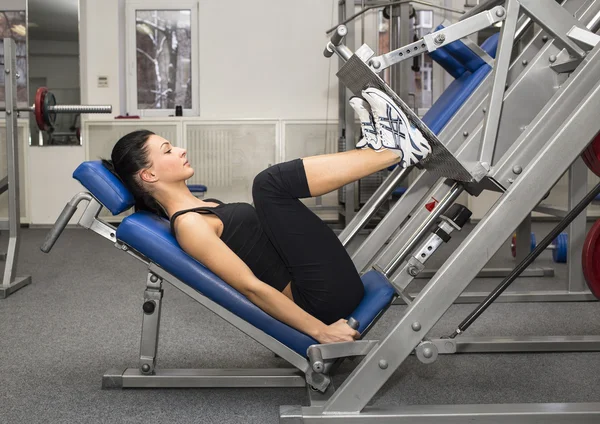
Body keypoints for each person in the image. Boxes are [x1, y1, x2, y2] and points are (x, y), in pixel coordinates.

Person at [102, 87, 431, 345]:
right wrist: (320, 332)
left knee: (269, 188)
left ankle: (378, 149)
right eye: (168, 151)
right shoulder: (190, 225)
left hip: (321, 286)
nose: (180, 150)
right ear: (148, 176)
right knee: (268, 185)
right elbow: (251, 287)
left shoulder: (205, 207)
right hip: (319, 302)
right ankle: (395, 152)